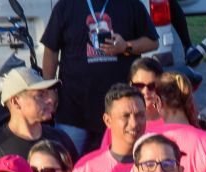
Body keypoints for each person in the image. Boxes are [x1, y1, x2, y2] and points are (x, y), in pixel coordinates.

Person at [41, 0, 159, 154]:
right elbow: (50, 50)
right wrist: (49, 89)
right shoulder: (66, 6)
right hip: (73, 110)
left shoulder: (131, 4)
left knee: (120, 165)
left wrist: (126, 46)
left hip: (120, 111)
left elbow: (152, 41)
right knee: (66, 166)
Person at [68, 84, 146, 172]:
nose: (134, 123)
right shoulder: (87, 167)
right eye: (125, 116)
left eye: (140, 115)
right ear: (108, 120)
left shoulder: (159, 163)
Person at [99, 58, 165, 149]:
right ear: (129, 85)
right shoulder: (117, 124)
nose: (145, 91)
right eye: (139, 86)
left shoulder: (171, 120)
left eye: (152, 86)